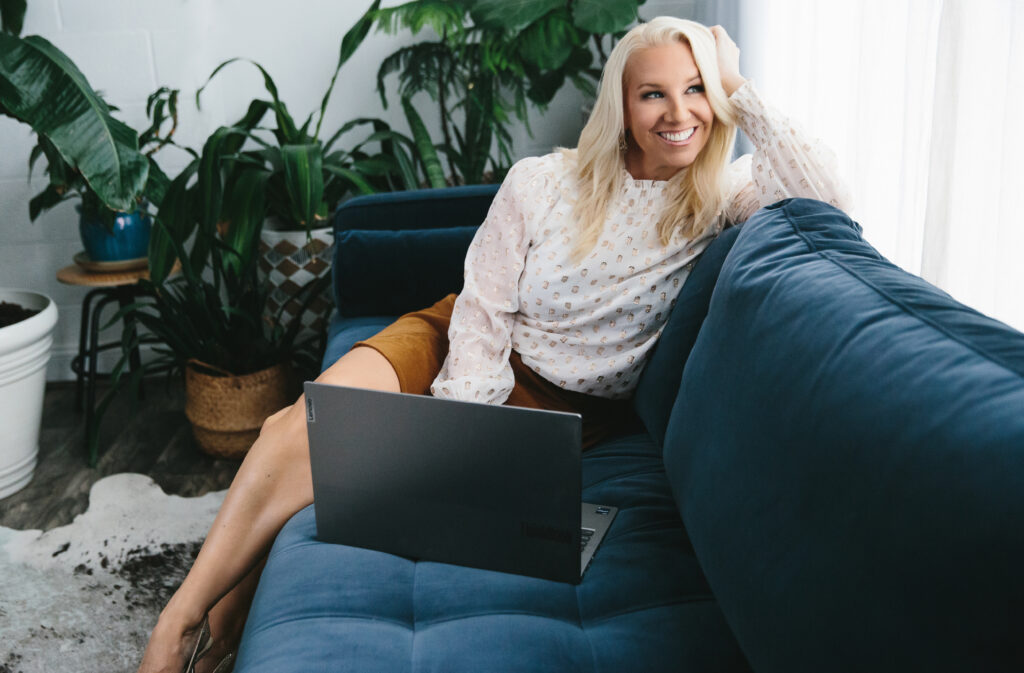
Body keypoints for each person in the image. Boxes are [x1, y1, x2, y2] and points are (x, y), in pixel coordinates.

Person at [138, 17, 850, 673]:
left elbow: (829, 200)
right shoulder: (545, 180)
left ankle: (224, 627)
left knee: (333, 466)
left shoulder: (719, 199)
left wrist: (738, 87)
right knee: (297, 429)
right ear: (623, 108)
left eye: (696, 90)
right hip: (456, 342)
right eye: (653, 93)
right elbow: (481, 309)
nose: (678, 112)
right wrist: (457, 430)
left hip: (560, 408)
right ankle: (176, 628)